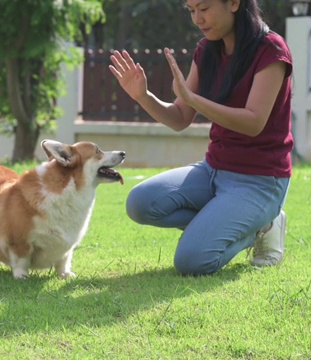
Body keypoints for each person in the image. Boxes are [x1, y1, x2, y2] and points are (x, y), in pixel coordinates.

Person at [109, 0, 293, 276]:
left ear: (233, 3)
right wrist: (143, 97)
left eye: (204, 8)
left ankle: (261, 225)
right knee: (140, 203)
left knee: (191, 262)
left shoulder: (270, 49)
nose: (197, 19)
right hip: (213, 170)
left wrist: (194, 99)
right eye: (191, 10)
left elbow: (253, 122)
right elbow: (180, 117)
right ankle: (242, 224)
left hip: (260, 180)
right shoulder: (207, 50)